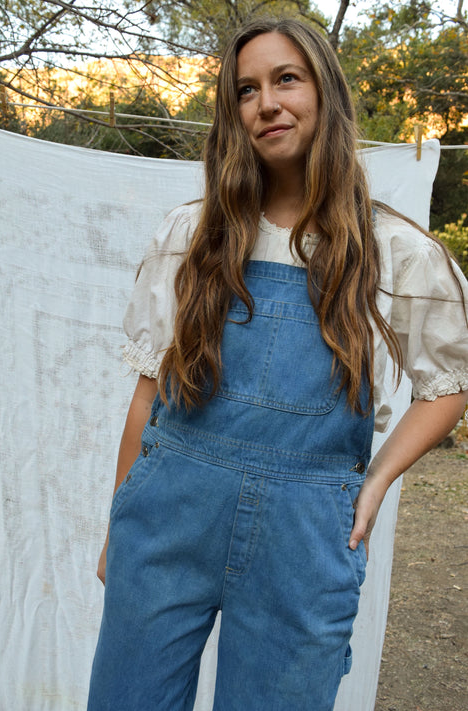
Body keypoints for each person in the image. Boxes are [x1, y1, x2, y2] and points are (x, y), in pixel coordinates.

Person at [87, 16, 468, 711]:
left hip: (303, 535)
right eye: (245, 89)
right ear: (232, 114)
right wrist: (120, 524)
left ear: (324, 92)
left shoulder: (392, 250)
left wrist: (376, 479)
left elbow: (446, 385)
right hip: (166, 516)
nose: (265, 102)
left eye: (285, 79)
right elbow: (147, 396)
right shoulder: (193, 234)